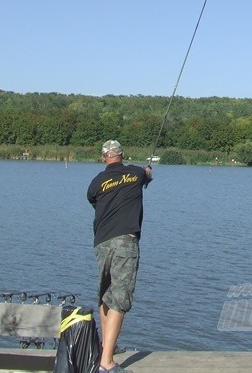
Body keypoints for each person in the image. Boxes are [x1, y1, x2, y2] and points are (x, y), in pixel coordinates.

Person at [87, 140, 152, 373]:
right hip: (125, 240)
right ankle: (106, 363)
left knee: (106, 295)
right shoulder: (135, 173)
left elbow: (93, 200)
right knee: (120, 298)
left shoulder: (97, 182)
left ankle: (106, 349)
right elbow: (146, 174)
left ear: (104, 157)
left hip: (101, 242)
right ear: (122, 155)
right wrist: (148, 174)